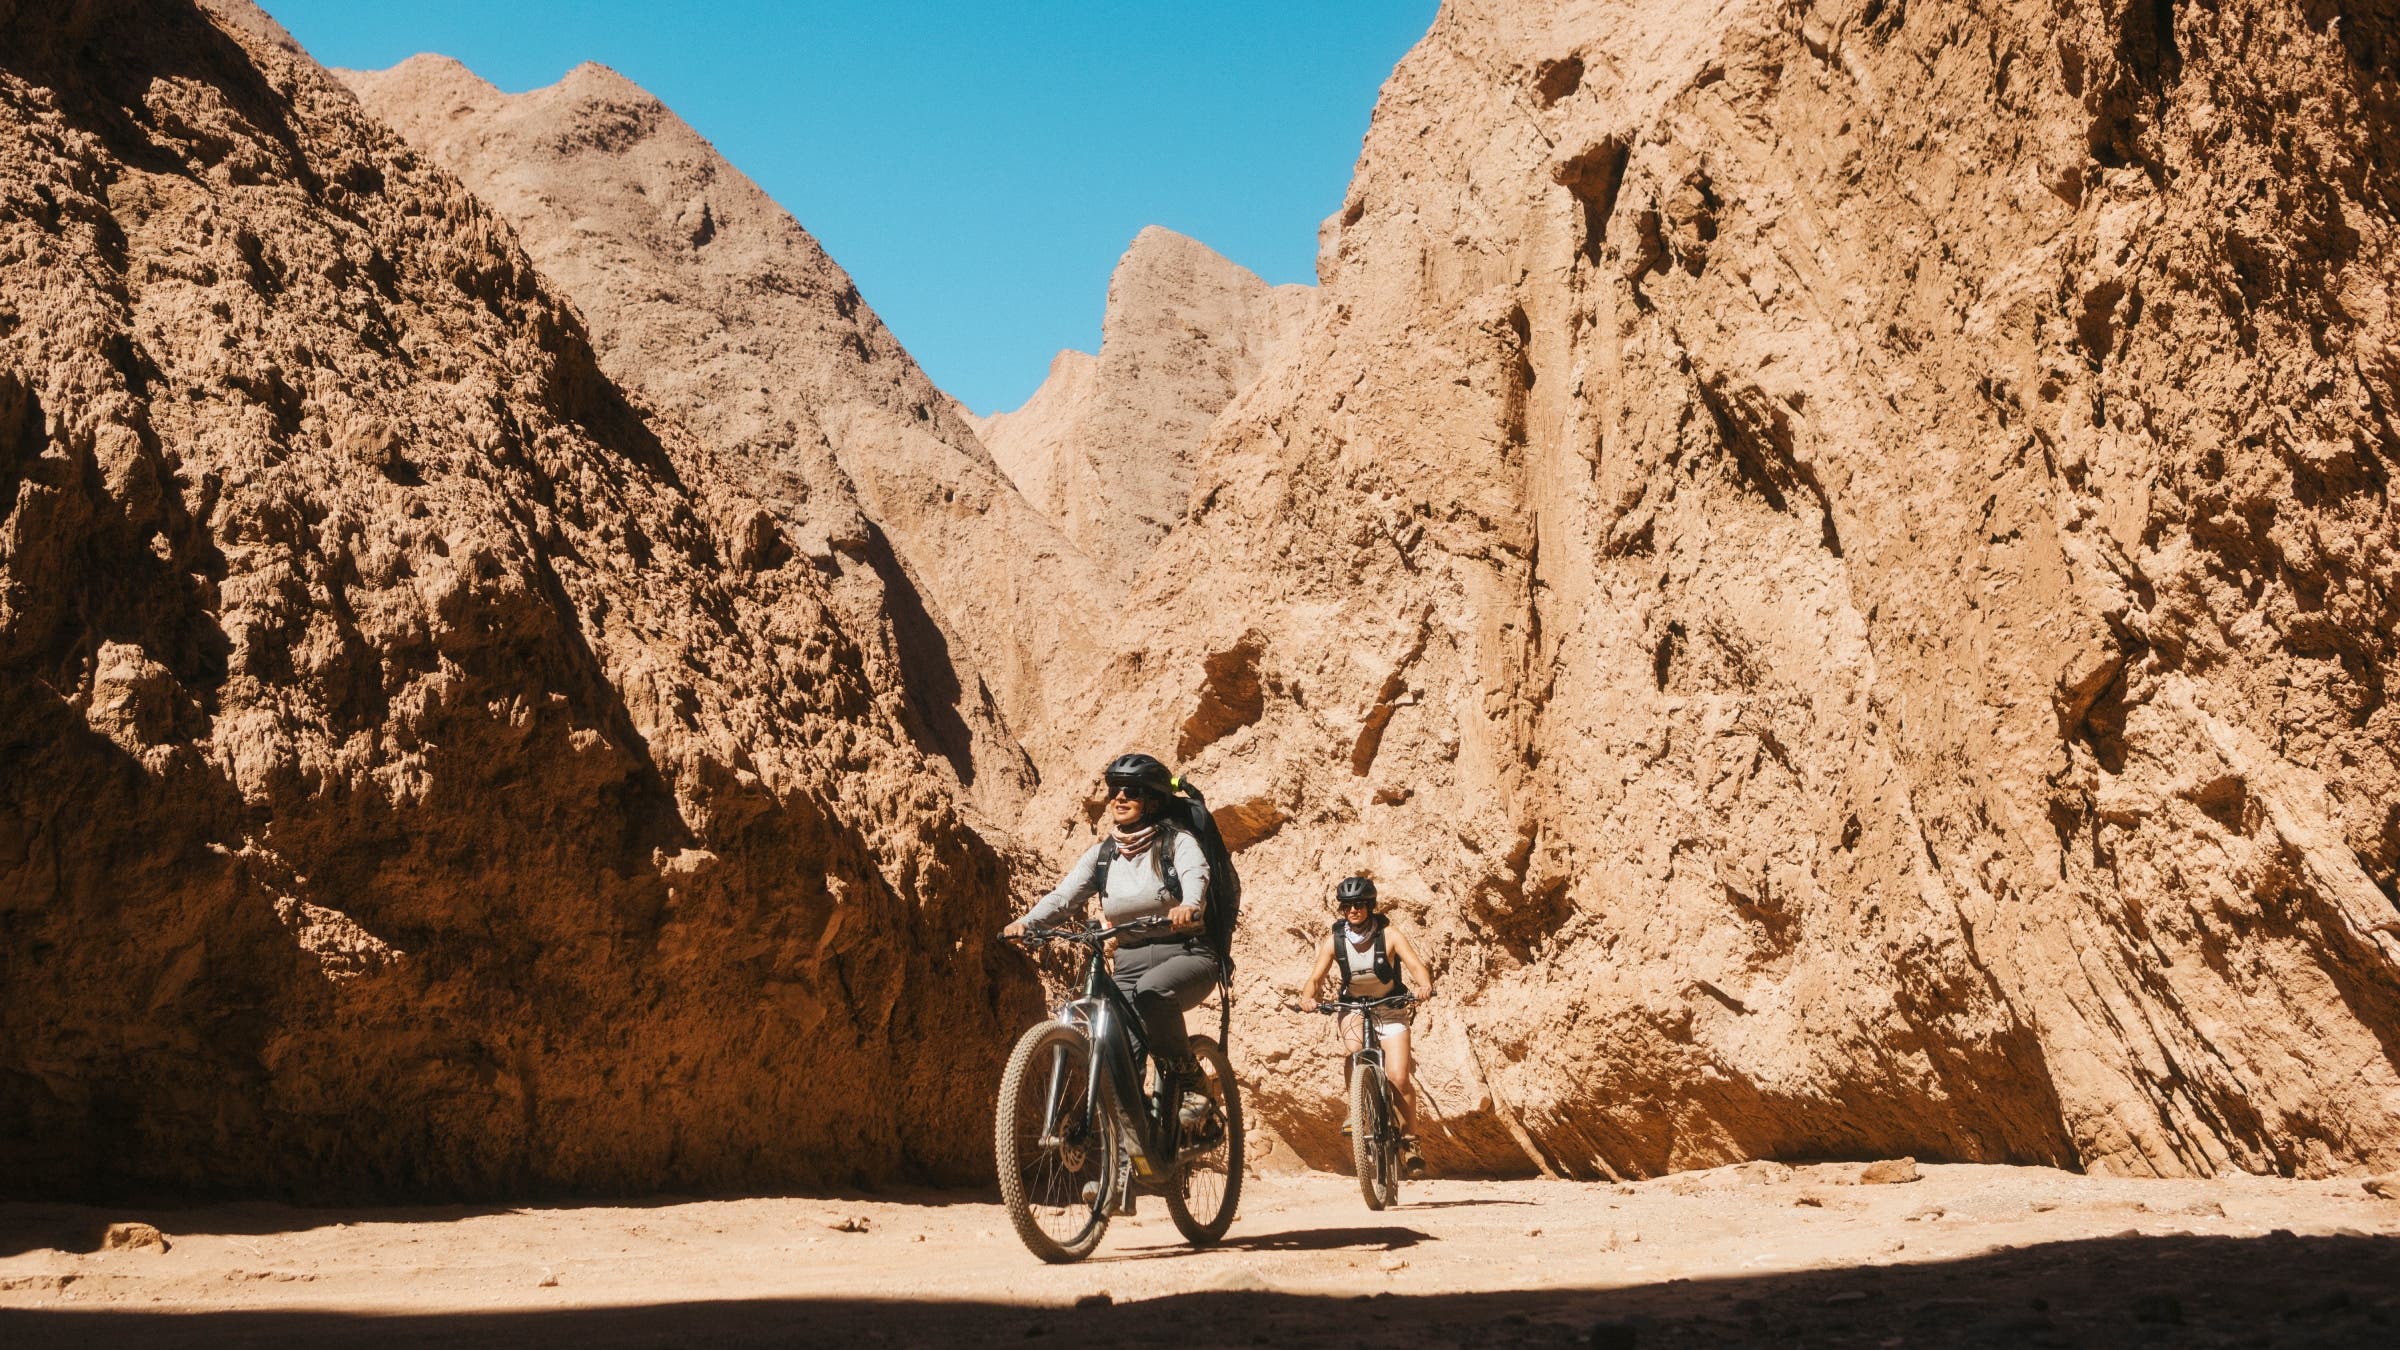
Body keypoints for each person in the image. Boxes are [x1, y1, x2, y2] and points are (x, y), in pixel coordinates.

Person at [1004, 752, 1220, 1133]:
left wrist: (1189, 905)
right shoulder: (1104, 854)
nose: (1119, 797)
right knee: (1119, 1060)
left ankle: (1192, 1082)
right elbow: (1064, 897)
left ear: (1152, 801)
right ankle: (1126, 1159)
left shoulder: (1177, 842)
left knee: (1152, 992)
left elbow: (1195, 875)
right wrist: (1026, 922)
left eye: (1131, 791)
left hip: (1186, 952)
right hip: (1129, 960)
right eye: (1115, 790)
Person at [1290, 876, 1437, 1176]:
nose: (1353, 910)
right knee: (1355, 1051)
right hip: (1354, 1007)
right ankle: (1355, 1111)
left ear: (1370, 906)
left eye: (1359, 904)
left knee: (1398, 1077)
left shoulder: (1389, 935)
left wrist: (1424, 986)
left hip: (1390, 1008)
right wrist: (1307, 998)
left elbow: (1415, 966)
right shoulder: (1335, 941)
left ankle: (1410, 1141)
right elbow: (1315, 978)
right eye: (1347, 906)